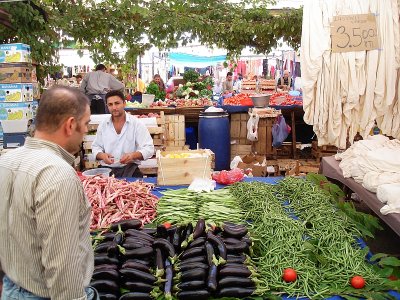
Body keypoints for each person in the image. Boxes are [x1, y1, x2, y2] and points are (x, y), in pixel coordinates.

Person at [0, 86, 97, 299]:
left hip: (11, 288)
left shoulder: (5, 162)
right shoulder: (58, 174)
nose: (87, 131)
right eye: (86, 124)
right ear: (70, 125)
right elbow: (63, 266)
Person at [91, 90, 154, 177]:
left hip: (130, 169)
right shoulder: (103, 125)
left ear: (124, 104)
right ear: (107, 106)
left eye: (117, 103)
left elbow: (149, 148)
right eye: (110, 104)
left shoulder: (136, 123)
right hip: (107, 169)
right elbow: (96, 147)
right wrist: (102, 156)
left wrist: (133, 155)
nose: (114, 107)